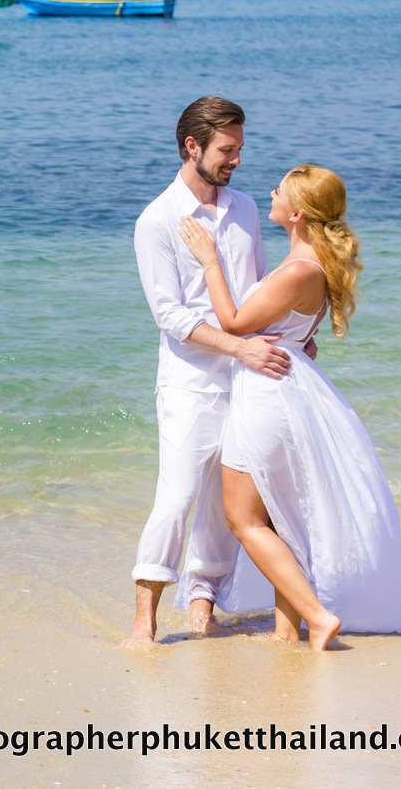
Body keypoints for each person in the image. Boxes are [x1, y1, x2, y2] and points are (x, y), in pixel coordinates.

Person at [178, 164, 401, 649]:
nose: (270, 193)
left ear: (297, 213)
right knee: (282, 516)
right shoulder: (306, 265)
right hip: (282, 391)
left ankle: (317, 616)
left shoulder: (301, 270)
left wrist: (209, 258)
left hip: (266, 397)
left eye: (279, 190)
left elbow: (235, 323)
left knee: (244, 519)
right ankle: (287, 631)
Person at [126, 97, 297, 645]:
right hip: (190, 383)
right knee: (176, 498)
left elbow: (264, 287)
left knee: (231, 507)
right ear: (192, 146)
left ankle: (204, 607)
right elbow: (168, 315)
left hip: (251, 381)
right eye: (228, 150)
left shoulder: (246, 208)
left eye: (241, 149)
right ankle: (143, 623)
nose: (238, 161)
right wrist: (238, 347)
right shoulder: (157, 220)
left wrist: (295, 337)